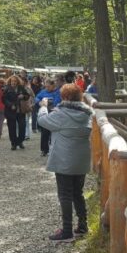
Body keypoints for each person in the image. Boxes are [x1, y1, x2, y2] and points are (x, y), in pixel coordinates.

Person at [37, 84, 93, 242]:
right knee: (77, 193)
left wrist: (43, 107)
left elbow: (42, 121)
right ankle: (83, 226)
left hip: (64, 159)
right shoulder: (88, 114)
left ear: (66, 98)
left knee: (65, 195)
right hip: (81, 159)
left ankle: (67, 231)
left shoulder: (61, 114)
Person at [2, 75, 30, 151]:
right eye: (12, 81)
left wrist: (23, 96)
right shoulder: (6, 88)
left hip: (20, 111)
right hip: (10, 111)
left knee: (22, 127)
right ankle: (13, 143)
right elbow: (4, 99)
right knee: (12, 128)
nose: (13, 82)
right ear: (10, 81)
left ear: (17, 81)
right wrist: (11, 105)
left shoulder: (21, 88)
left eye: (15, 81)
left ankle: (20, 141)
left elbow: (27, 96)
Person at [35, 78, 60, 157]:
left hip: (54, 115)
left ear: (53, 85)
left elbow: (57, 101)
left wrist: (49, 102)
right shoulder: (43, 92)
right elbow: (37, 98)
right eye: (46, 86)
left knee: (54, 133)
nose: (47, 88)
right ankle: (44, 150)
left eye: (48, 86)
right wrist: (39, 102)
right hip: (45, 115)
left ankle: (54, 149)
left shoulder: (57, 92)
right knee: (44, 133)